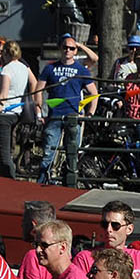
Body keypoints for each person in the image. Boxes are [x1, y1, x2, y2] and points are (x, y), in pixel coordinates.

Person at [35, 34, 98, 184]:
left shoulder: (81, 69)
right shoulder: (50, 67)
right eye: (65, 47)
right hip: (54, 116)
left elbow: (94, 93)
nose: (68, 50)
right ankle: (43, 182)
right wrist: (38, 112)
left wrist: (90, 114)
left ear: (76, 51)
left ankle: (70, 183)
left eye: (71, 48)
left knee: (72, 153)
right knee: (49, 152)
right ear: (60, 49)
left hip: (74, 116)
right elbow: (38, 90)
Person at [0, 40, 36, 179]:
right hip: (16, 112)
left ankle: (9, 181)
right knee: (7, 151)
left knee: (3, 154)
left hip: (4, 113)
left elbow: (3, 94)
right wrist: (28, 98)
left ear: (7, 53)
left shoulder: (7, 69)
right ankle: (5, 179)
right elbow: (34, 82)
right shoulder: (23, 67)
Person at [16, 200, 57, 279]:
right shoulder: (61, 252)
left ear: (33, 224)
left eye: (23, 221)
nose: (22, 225)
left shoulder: (33, 257)